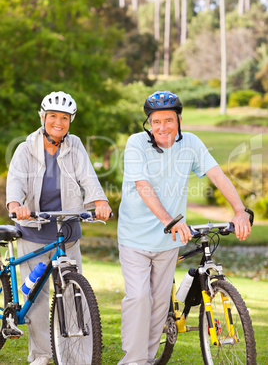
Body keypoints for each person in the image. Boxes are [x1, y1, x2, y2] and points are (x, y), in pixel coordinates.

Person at [117, 91, 252, 365]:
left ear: (179, 120)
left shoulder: (190, 143)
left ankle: (147, 359)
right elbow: (142, 186)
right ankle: (132, 361)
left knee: (158, 306)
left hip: (168, 242)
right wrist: (171, 220)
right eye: (156, 122)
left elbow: (217, 175)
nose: (162, 127)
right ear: (149, 123)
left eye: (168, 120)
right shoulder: (136, 144)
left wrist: (240, 210)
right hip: (134, 237)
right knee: (140, 298)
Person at [6, 91, 111, 365]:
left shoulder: (74, 146)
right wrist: (17, 204)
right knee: (38, 298)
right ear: (43, 118)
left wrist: (100, 202)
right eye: (53, 116)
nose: (58, 122)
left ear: (70, 121)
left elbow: (88, 177)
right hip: (34, 230)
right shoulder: (26, 148)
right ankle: (41, 354)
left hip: (66, 231)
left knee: (73, 290)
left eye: (64, 118)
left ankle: (77, 353)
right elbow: (16, 180)